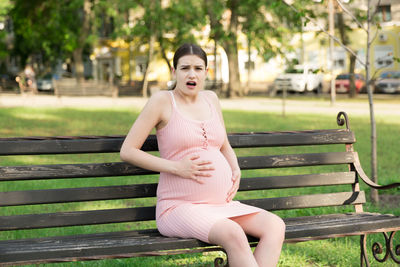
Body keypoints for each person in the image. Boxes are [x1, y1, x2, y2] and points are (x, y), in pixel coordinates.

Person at [120, 43, 285, 267]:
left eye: (198, 68)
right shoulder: (162, 101)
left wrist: (235, 168)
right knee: (233, 233)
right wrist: (177, 167)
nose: (191, 74)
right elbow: (128, 151)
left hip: (220, 206)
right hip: (178, 207)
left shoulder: (211, 99)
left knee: (275, 226)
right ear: (174, 71)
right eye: (185, 67)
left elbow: (223, 143)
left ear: (206, 72)